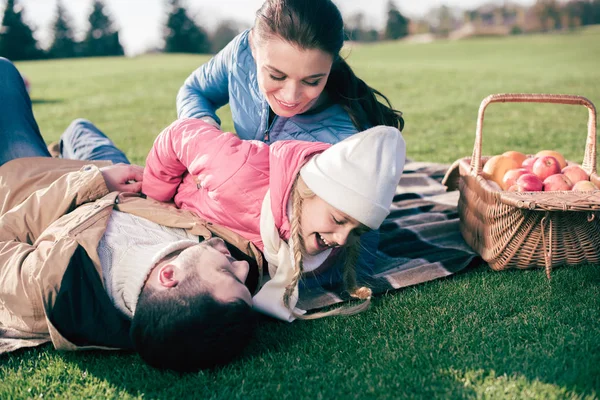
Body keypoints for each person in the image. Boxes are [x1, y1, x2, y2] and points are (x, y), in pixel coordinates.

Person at [0, 57, 263, 372]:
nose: (243, 267)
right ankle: (64, 146)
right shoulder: (219, 259)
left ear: (169, 277)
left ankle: (53, 153)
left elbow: (7, 234)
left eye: (228, 273)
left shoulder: (49, 287)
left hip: (35, 182)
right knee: (81, 128)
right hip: (116, 176)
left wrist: (95, 182)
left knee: (3, 73)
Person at [143, 118, 406, 321]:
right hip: (169, 204)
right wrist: (155, 198)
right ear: (308, 191)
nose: (342, 239)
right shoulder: (237, 171)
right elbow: (179, 133)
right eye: (338, 220)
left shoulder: (323, 244)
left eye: (356, 231)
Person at [177, 0, 404, 142]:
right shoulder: (241, 53)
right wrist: (203, 129)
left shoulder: (348, 140)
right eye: (276, 75)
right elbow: (195, 89)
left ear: (332, 64)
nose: (290, 96)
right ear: (254, 46)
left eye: (312, 81)